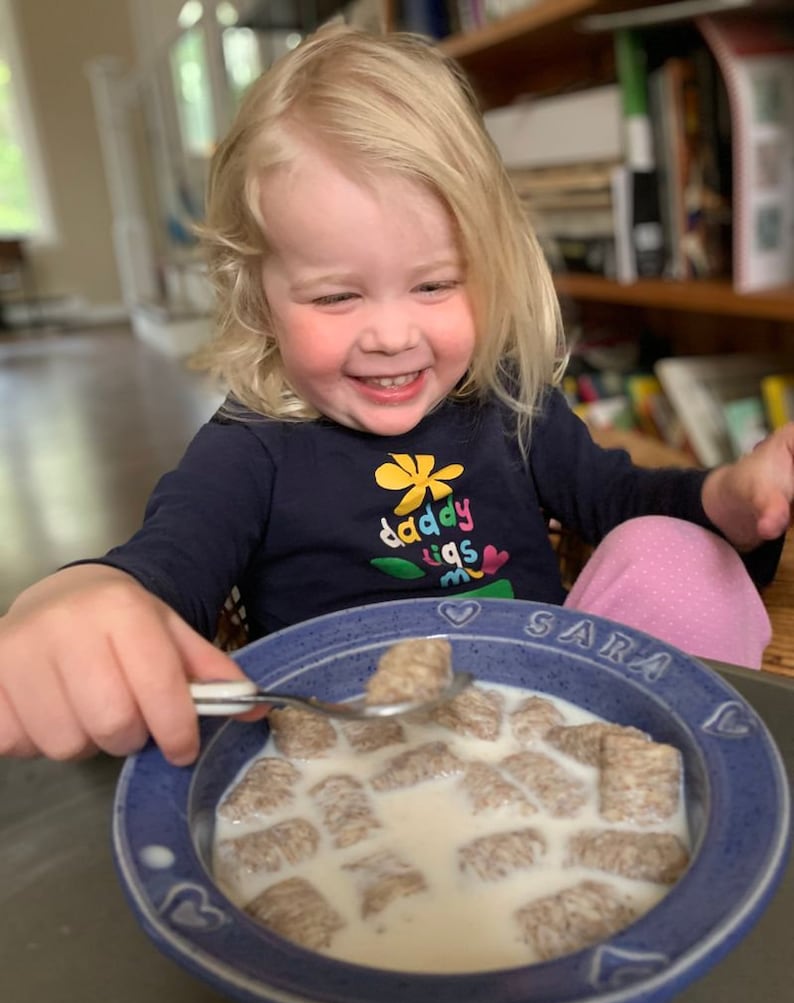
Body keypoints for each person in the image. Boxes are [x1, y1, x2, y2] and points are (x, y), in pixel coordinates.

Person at [0, 26, 791, 767]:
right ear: (259, 296)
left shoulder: (510, 401)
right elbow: (169, 561)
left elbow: (626, 499)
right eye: (336, 297)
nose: (389, 335)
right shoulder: (250, 446)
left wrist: (728, 498)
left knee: (677, 554)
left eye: (435, 284)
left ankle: (678, 782)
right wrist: (94, 594)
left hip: (555, 739)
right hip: (353, 765)